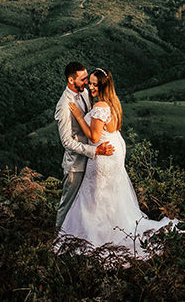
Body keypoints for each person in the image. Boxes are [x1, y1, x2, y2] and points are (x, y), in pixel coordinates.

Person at [57, 67, 178, 258]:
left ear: (102, 86)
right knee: (108, 196)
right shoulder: (113, 102)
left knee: (95, 198)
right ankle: (111, 227)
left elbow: (95, 137)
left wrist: (80, 117)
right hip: (112, 153)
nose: (90, 87)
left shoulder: (99, 106)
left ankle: (95, 236)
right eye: (88, 82)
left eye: (94, 84)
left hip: (102, 156)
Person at [55, 61, 115, 229]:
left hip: (92, 163)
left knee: (86, 207)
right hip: (76, 165)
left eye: (87, 79)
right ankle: (58, 241)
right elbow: (66, 142)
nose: (87, 83)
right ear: (71, 80)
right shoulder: (63, 106)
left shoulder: (85, 92)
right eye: (83, 80)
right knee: (67, 206)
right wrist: (95, 150)